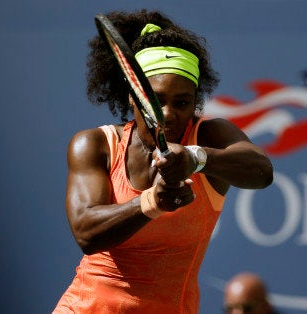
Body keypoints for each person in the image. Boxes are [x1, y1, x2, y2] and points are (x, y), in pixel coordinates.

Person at [53, 9, 273, 314]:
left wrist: (196, 158)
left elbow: (261, 172)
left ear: (195, 101)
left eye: (182, 102)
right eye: (156, 100)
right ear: (133, 96)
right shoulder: (94, 145)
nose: (168, 113)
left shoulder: (209, 134)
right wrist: (151, 203)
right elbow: (86, 233)